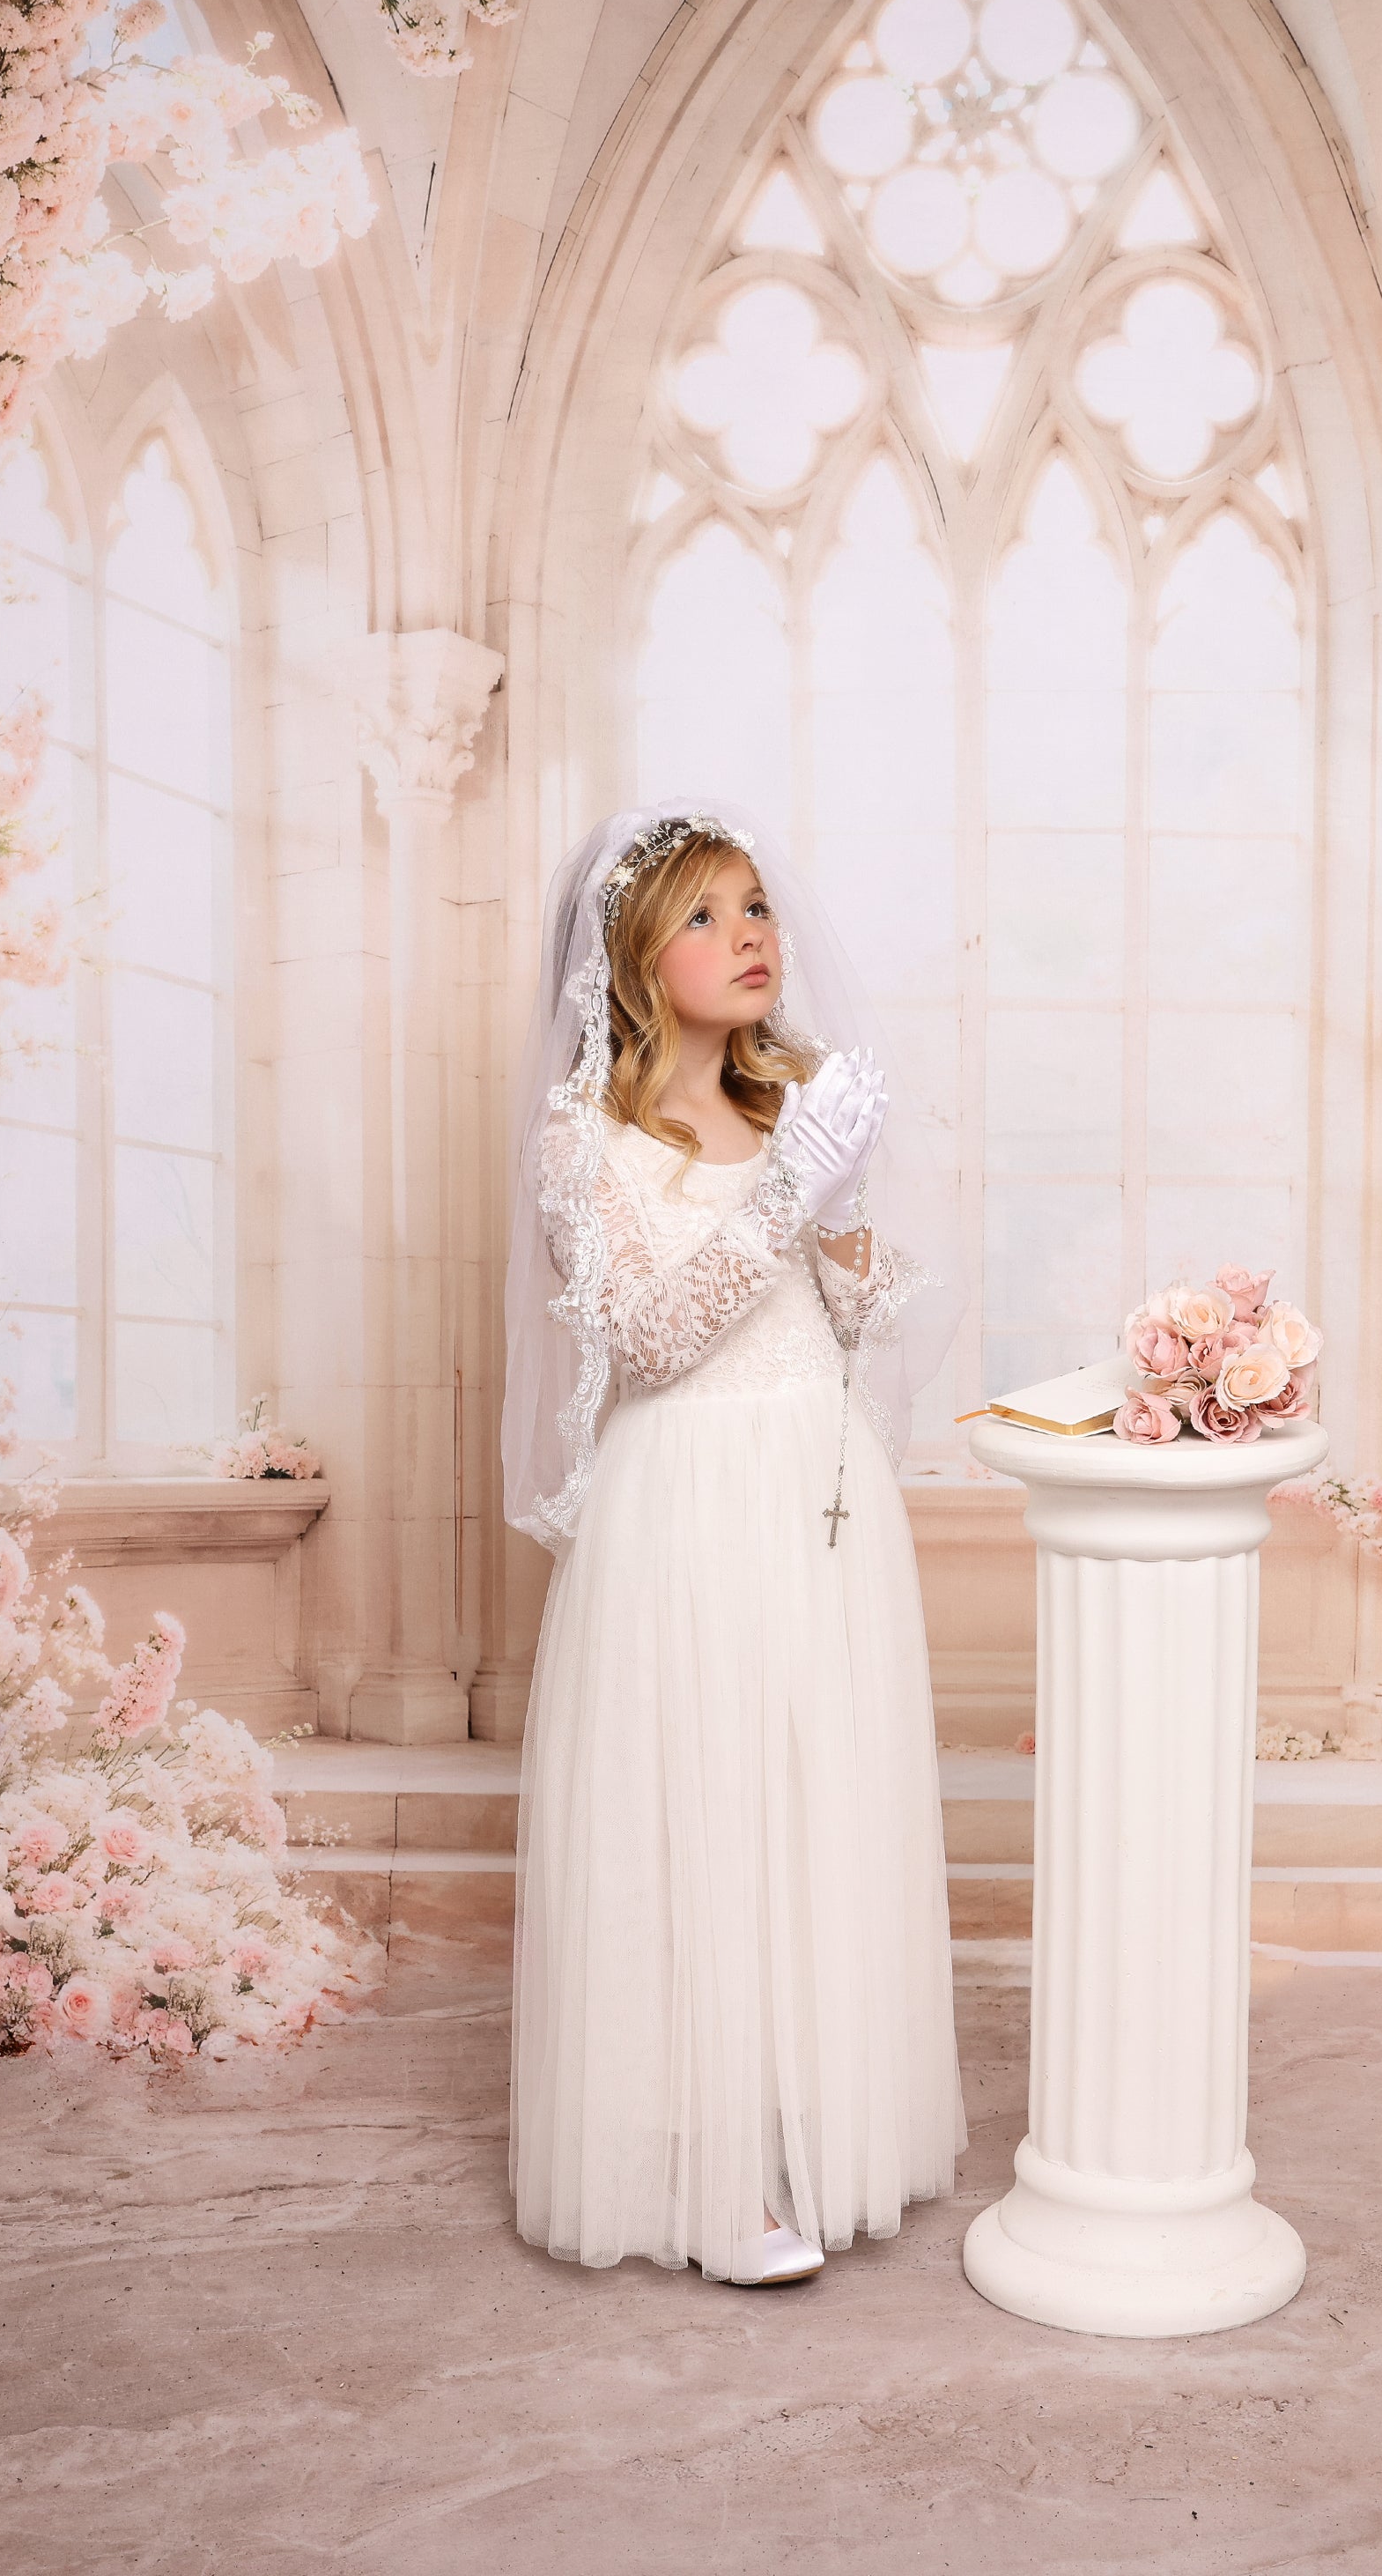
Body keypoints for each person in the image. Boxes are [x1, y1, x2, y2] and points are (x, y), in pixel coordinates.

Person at [501, 799, 967, 2285]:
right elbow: (646, 1338)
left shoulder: (790, 1103)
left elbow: (854, 1316)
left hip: (818, 1492)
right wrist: (783, 1194)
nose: (748, 935)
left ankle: (809, 2130)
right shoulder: (585, 1136)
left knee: (813, 1799)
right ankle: (707, 2178)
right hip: (685, 1498)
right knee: (695, 1810)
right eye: (702, 915)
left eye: (756, 905)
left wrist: (834, 1198)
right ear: (632, 954)